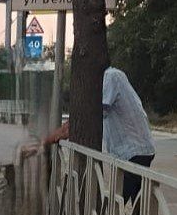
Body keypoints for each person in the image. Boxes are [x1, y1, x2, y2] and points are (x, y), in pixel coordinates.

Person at [43, 65, 155, 203]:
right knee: (137, 206)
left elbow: (90, 115)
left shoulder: (110, 77)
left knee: (115, 202)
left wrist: (56, 135)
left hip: (134, 151)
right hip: (132, 151)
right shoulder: (109, 78)